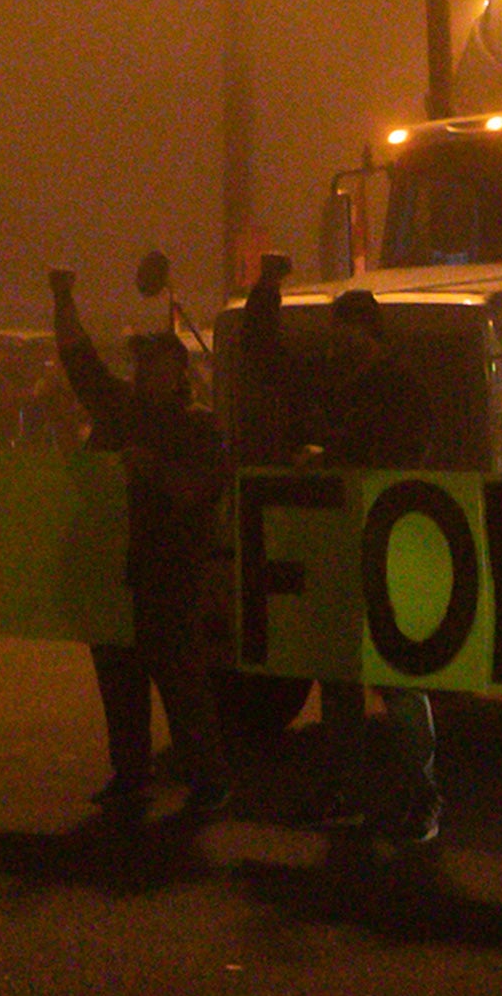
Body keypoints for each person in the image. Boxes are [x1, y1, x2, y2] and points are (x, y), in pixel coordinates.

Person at [238, 269, 444, 850]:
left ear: (373, 336)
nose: (343, 343)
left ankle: (421, 798)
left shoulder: (400, 385)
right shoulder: (333, 379)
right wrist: (266, 289)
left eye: (354, 332)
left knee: (397, 677)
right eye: (340, 333)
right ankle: (347, 790)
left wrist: (332, 453)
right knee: (337, 674)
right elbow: (263, 356)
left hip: (387, 543)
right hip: (334, 543)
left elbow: (409, 447)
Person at [48, 265, 231, 813]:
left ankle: (208, 781)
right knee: (118, 681)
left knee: (181, 683)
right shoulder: (120, 409)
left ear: (181, 374)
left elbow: (199, 490)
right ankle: (130, 773)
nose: (154, 375)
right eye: (147, 366)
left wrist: (149, 469)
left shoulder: (199, 428)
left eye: (164, 367)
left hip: (171, 574)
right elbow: (78, 360)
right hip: (112, 569)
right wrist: (63, 297)